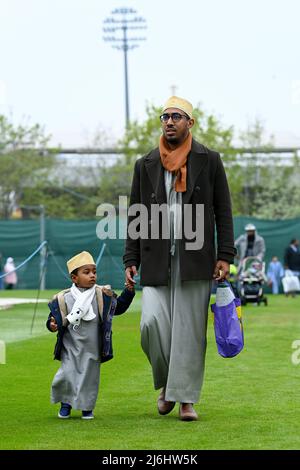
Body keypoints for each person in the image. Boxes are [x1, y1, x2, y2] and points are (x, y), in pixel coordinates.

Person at [123, 96, 236, 421]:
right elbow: (136, 213)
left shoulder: (209, 160)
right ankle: (167, 383)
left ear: (190, 122)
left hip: (196, 259)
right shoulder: (145, 164)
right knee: (151, 324)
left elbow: (223, 210)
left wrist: (225, 254)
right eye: (165, 116)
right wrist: (131, 255)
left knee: (188, 331)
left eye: (176, 116)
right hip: (156, 257)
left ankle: (184, 399)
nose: (169, 121)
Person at [46, 251, 135, 419]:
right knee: (67, 375)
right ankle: (66, 404)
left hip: (93, 347)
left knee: (89, 378)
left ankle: (87, 408)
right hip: (70, 347)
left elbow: (120, 307)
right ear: (74, 278)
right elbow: (54, 320)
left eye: (94, 271)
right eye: (86, 272)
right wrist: (51, 325)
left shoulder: (103, 295)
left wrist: (129, 291)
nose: (92, 275)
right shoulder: (63, 298)